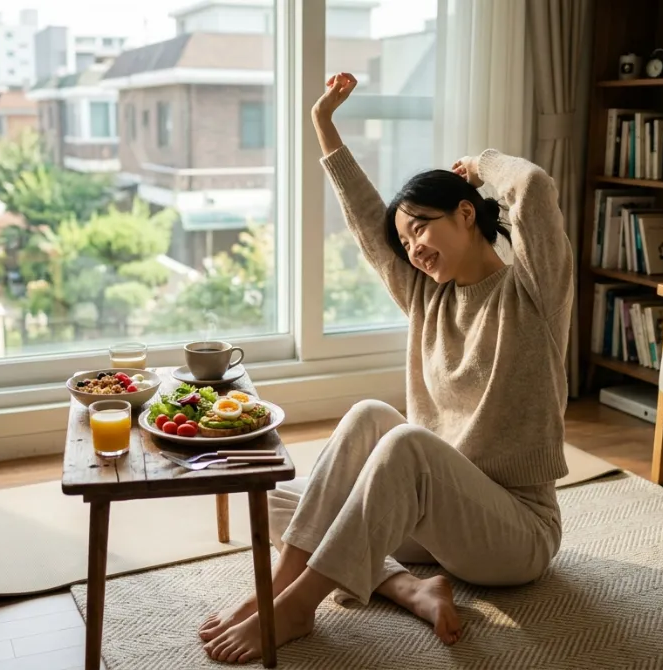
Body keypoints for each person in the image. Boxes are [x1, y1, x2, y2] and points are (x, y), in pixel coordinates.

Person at [198, 72, 575, 664]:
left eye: (421, 227)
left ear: (465, 214)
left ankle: (297, 607)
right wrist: (324, 125)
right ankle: (398, 587)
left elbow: (534, 187)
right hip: (438, 522)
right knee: (289, 488)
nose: (414, 250)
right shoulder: (428, 296)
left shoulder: (534, 293)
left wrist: (479, 165)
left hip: (515, 533)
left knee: (401, 445)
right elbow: (367, 221)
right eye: (406, 242)